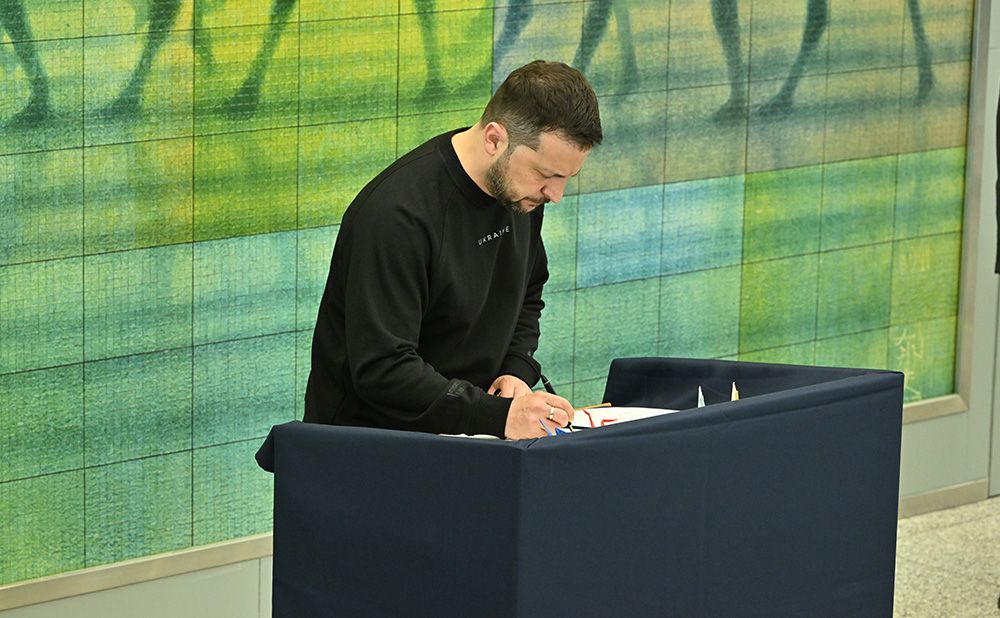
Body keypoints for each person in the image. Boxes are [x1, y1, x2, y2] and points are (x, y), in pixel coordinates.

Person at [304, 60, 602, 439]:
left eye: (566, 179)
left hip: (467, 434)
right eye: (547, 175)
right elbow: (383, 368)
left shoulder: (521, 194)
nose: (555, 195)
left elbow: (527, 293)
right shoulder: (396, 216)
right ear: (495, 139)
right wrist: (497, 416)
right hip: (369, 449)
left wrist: (515, 368)